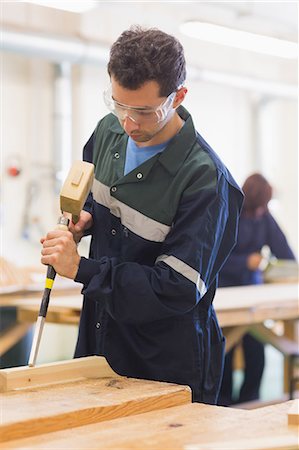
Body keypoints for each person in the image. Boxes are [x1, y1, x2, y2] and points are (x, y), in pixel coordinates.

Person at [41, 26, 243, 404]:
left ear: (178, 96)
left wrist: (81, 270)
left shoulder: (206, 181)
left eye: (144, 111)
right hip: (99, 343)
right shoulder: (106, 134)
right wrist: (86, 219)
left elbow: (173, 289)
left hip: (164, 364)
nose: (129, 123)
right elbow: (93, 199)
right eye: (119, 105)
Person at [218, 173, 296, 406]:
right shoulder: (229, 213)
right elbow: (214, 258)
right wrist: (245, 262)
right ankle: (223, 403)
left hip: (252, 293)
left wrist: (290, 272)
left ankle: (250, 400)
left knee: (256, 351)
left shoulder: (265, 218)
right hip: (223, 290)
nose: (260, 213)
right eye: (258, 208)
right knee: (225, 352)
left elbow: (285, 253)